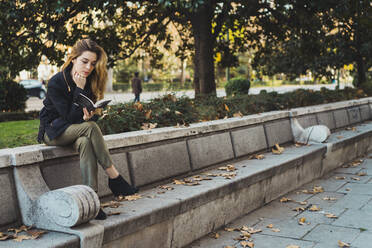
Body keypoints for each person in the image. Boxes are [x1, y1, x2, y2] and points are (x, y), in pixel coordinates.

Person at [37, 39, 138, 220]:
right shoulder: (56, 82)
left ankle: (92, 201)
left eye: (92, 64)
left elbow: (81, 117)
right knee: (90, 128)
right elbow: (67, 116)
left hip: (76, 131)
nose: (88, 67)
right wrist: (79, 89)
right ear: (73, 59)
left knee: (85, 141)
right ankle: (115, 178)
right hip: (53, 132)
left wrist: (89, 116)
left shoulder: (89, 80)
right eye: (84, 61)